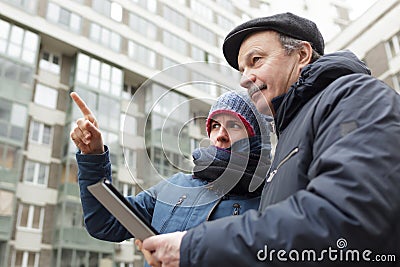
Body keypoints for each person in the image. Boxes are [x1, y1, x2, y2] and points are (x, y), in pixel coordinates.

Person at [140, 12, 400, 266]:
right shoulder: (290, 132)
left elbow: (346, 218)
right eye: (242, 69)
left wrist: (193, 247)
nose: (244, 79)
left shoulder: (354, 97)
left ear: (301, 55)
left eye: (256, 60)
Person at [70, 90, 271, 266]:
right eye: (215, 125)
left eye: (234, 125)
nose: (220, 134)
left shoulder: (271, 200)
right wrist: (93, 156)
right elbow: (104, 222)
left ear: (255, 138)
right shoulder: (174, 186)